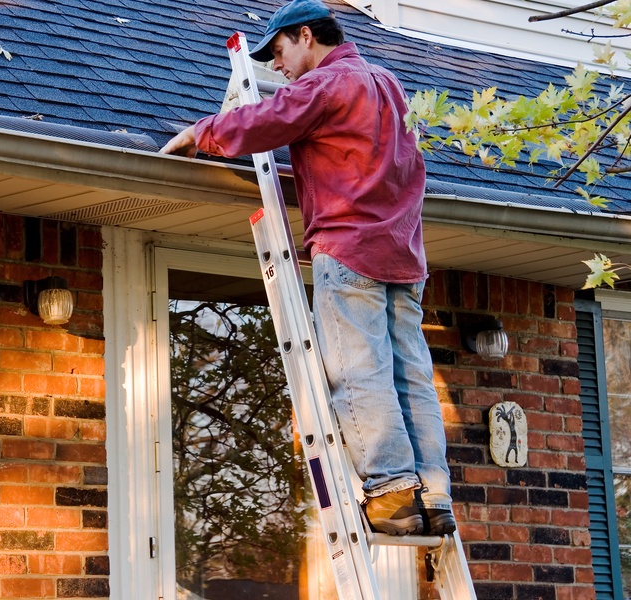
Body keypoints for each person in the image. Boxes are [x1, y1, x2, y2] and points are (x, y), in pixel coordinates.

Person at [160, 0, 455, 536]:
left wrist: (203, 132)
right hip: (402, 255)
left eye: (278, 51)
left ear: (305, 36)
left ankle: (390, 493)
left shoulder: (329, 83)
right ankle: (432, 495)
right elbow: (376, 169)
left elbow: (269, 118)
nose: (275, 66)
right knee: (410, 375)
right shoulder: (387, 83)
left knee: (359, 372)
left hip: (352, 253)